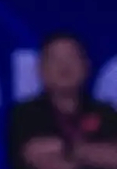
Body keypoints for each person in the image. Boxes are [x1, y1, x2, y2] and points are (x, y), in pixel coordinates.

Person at [9, 32, 117, 169]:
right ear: (41, 69)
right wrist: (89, 152)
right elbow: (40, 157)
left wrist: (67, 150)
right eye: (55, 59)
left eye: (71, 57)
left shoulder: (105, 112)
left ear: (86, 66)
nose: (64, 66)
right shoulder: (24, 114)